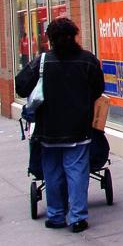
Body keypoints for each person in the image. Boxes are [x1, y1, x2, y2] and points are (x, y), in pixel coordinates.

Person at [15, 17, 104, 233]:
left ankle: (56, 215)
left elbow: (21, 86)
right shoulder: (88, 60)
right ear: (74, 36)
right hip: (78, 128)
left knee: (52, 173)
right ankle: (78, 218)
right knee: (77, 172)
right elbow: (98, 89)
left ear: (50, 40)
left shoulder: (43, 61)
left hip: (48, 129)